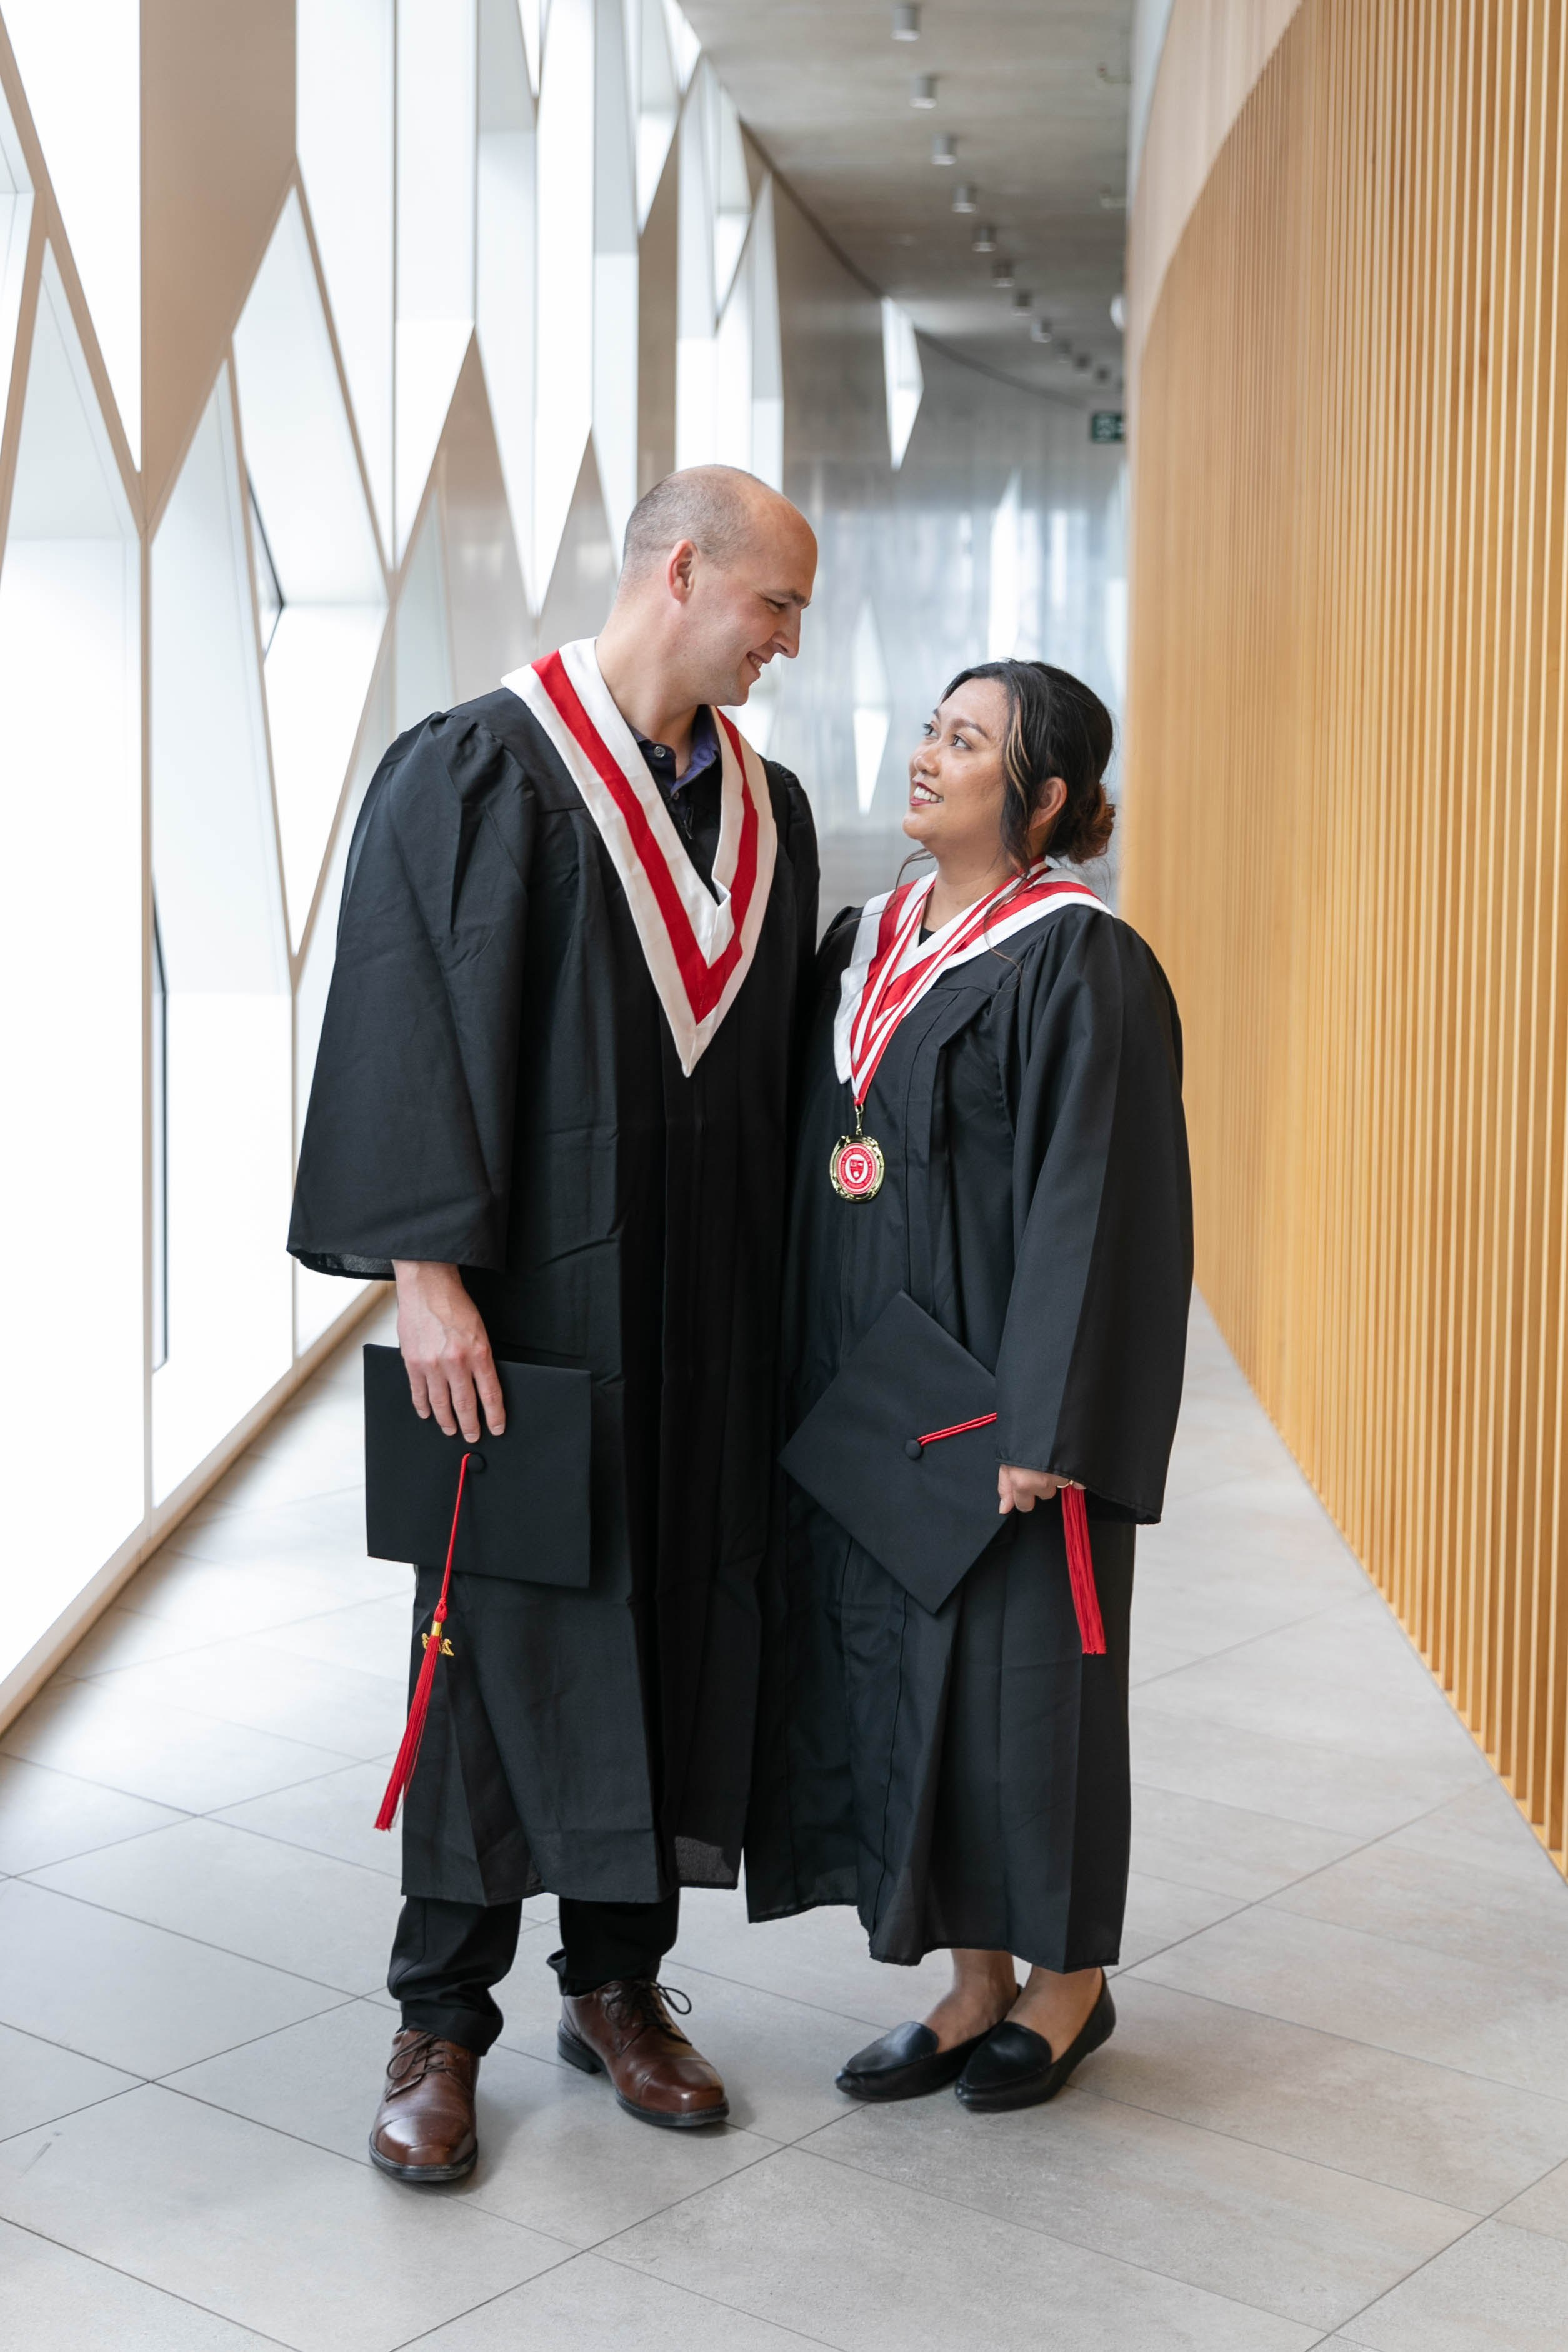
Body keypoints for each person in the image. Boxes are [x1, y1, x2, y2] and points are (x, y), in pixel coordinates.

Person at [289, 466, 819, 2181]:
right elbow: (401, 1017)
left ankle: (618, 1981)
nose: (784, 646)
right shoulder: (475, 768)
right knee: (490, 1646)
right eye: (772, 606)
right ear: (681, 572)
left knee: (667, 1619)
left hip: (707, 1322)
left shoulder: (770, 808)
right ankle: (439, 2012)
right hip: (525, 1319)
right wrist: (425, 1279)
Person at [746, 659, 1191, 2112]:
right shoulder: (861, 942)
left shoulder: (1079, 957)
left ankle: (1067, 1985)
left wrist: (1046, 1422)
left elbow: (1097, 1201)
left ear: (1043, 796)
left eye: (968, 741)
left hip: (999, 1411)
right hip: (875, 1400)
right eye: (932, 729)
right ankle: (973, 1977)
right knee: (901, 1684)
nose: (928, 756)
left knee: (1022, 1694)